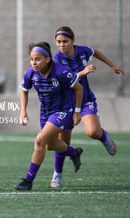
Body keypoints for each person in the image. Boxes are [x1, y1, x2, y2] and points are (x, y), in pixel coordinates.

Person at [50, 26, 124, 188]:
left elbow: (94, 51)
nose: (61, 45)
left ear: (72, 41)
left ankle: (104, 138)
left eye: (65, 41)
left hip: (85, 100)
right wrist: (83, 73)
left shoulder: (82, 51)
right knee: (63, 143)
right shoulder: (56, 60)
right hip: (66, 104)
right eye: (58, 42)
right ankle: (58, 174)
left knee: (93, 132)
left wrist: (112, 66)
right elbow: (65, 80)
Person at [14, 41, 84, 191]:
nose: (34, 62)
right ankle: (74, 152)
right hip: (45, 112)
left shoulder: (61, 71)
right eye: (32, 59)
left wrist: (77, 111)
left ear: (47, 59)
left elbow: (79, 88)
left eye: (37, 59)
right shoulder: (30, 73)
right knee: (50, 145)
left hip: (63, 110)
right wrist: (22, 111)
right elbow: (24, 91)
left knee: (39, 140)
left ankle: (28, 180)